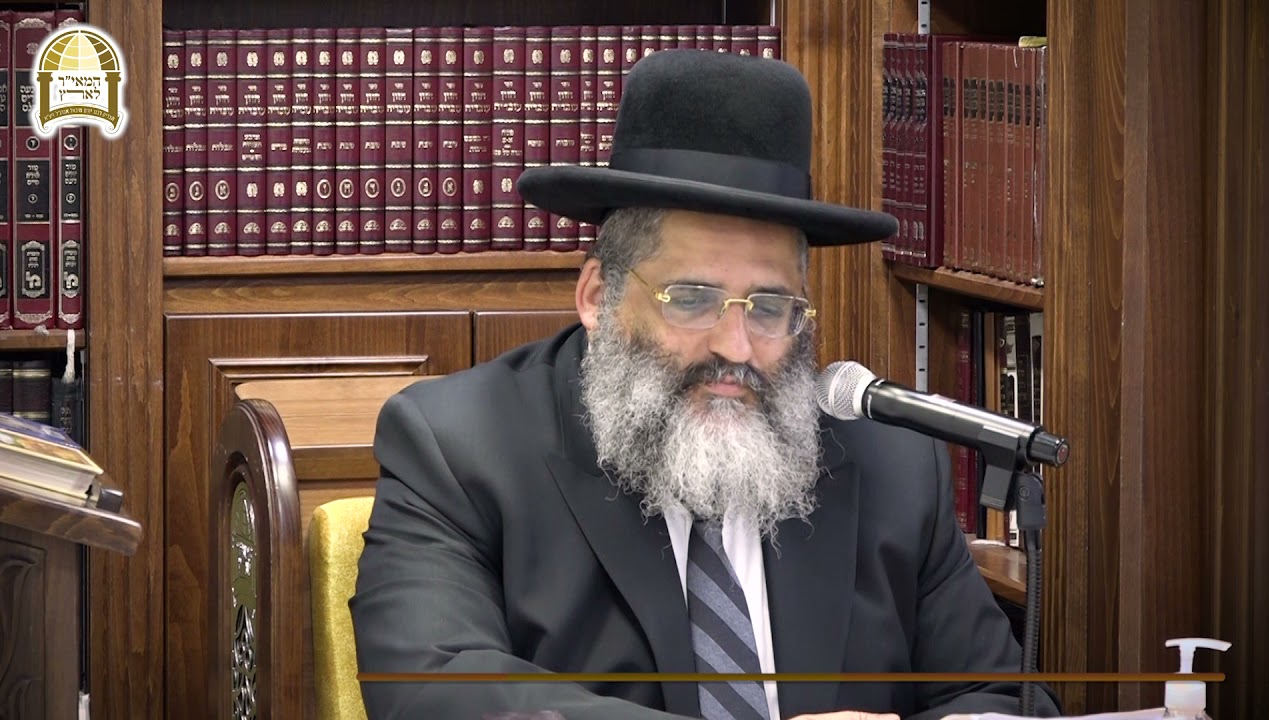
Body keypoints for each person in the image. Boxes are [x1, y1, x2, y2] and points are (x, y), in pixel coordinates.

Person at [350, 48, 1062, 720]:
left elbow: (997, 697)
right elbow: (433, 687)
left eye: (770, 307)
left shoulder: (893, 467)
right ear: (598, 297)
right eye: (691, 299)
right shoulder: (459, 446)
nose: (735, 346)